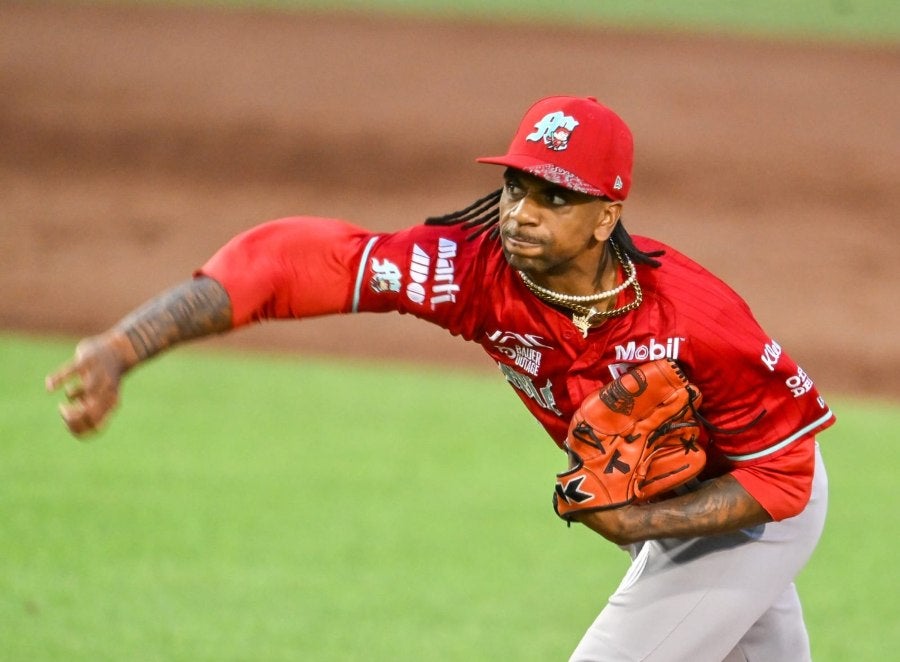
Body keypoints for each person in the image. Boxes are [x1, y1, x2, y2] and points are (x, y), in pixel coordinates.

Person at [46, 95, 835, 661]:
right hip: (674, 504)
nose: (522, 212)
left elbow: (786, 477)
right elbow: (296, 261)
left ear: (606, 216)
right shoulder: (470, 272)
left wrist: (640, 526)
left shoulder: (695, 320)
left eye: (554, 196)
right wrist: (124, 346)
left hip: (757, 505)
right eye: (517, 186)